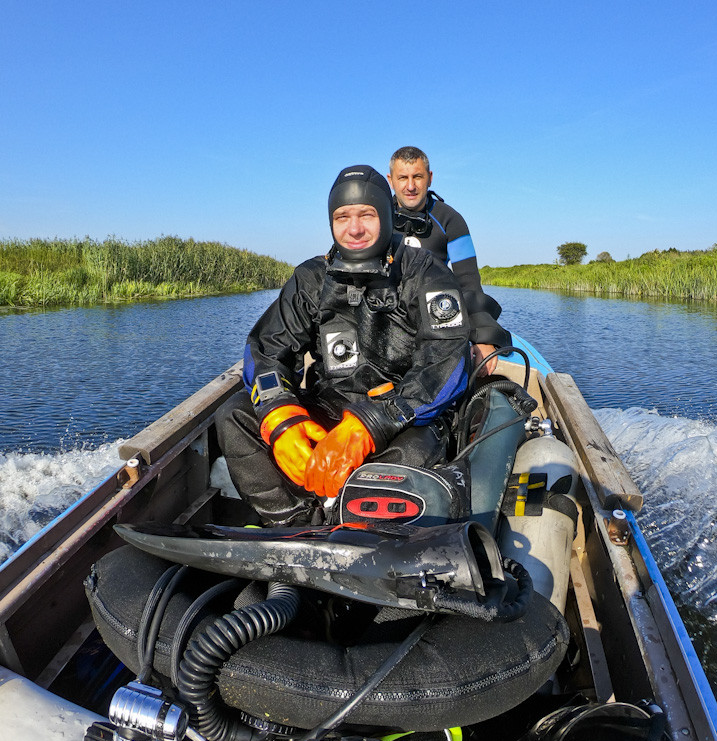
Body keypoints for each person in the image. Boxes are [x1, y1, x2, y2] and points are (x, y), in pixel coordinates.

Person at [215, 165, 472, 526]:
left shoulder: (425, 272)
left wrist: (372, 423)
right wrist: (280, 414)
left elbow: (447, 360)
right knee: (233, 416)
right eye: (342, 216)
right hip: (328, 408)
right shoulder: (310, 278)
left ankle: (360, 530)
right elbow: (266, 349)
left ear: (386, 215)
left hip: (402, 415)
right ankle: (298, 526)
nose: (354, 229)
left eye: (366, 215)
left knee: (416, 452)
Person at [387, 146, 511, 374]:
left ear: (430, 178)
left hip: (435, 318)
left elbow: (468, 281)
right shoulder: (375, 217)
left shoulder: (451, 220)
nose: (410, 186)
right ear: (391, 181)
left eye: (418, 176)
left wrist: (482, 336)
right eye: (402, 178)